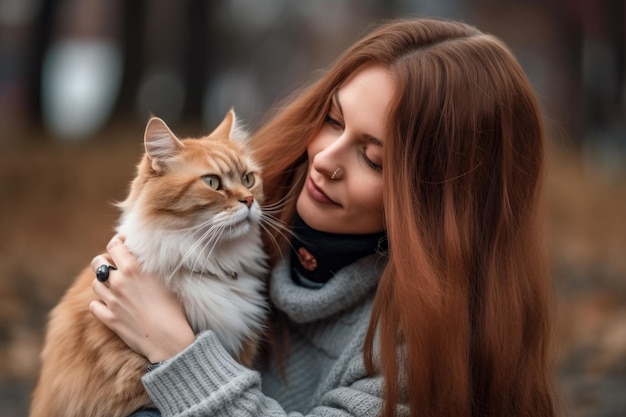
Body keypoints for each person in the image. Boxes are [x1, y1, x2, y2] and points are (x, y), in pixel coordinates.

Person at [89, 18, 558, 417]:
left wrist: (180, 355)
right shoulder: (262, 202)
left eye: (372, 158)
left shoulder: (421, 345)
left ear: (439, 203)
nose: (324, 159)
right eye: (333, 120)